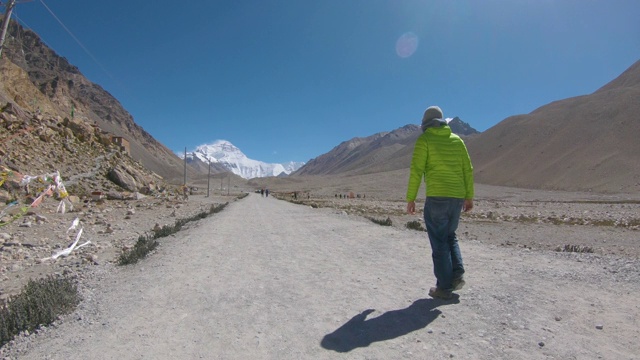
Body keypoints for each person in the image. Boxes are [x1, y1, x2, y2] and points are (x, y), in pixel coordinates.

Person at [406, 105, 474, 300]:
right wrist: (469, 196)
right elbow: (467, 169)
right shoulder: (457, 141)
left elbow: (416, 171)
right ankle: (457, 274)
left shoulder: (425, 140)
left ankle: (444, 287)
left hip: (437, 197)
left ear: (425, 123)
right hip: (457, 197)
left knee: (439, 241)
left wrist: (411, 198)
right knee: (450, 235)